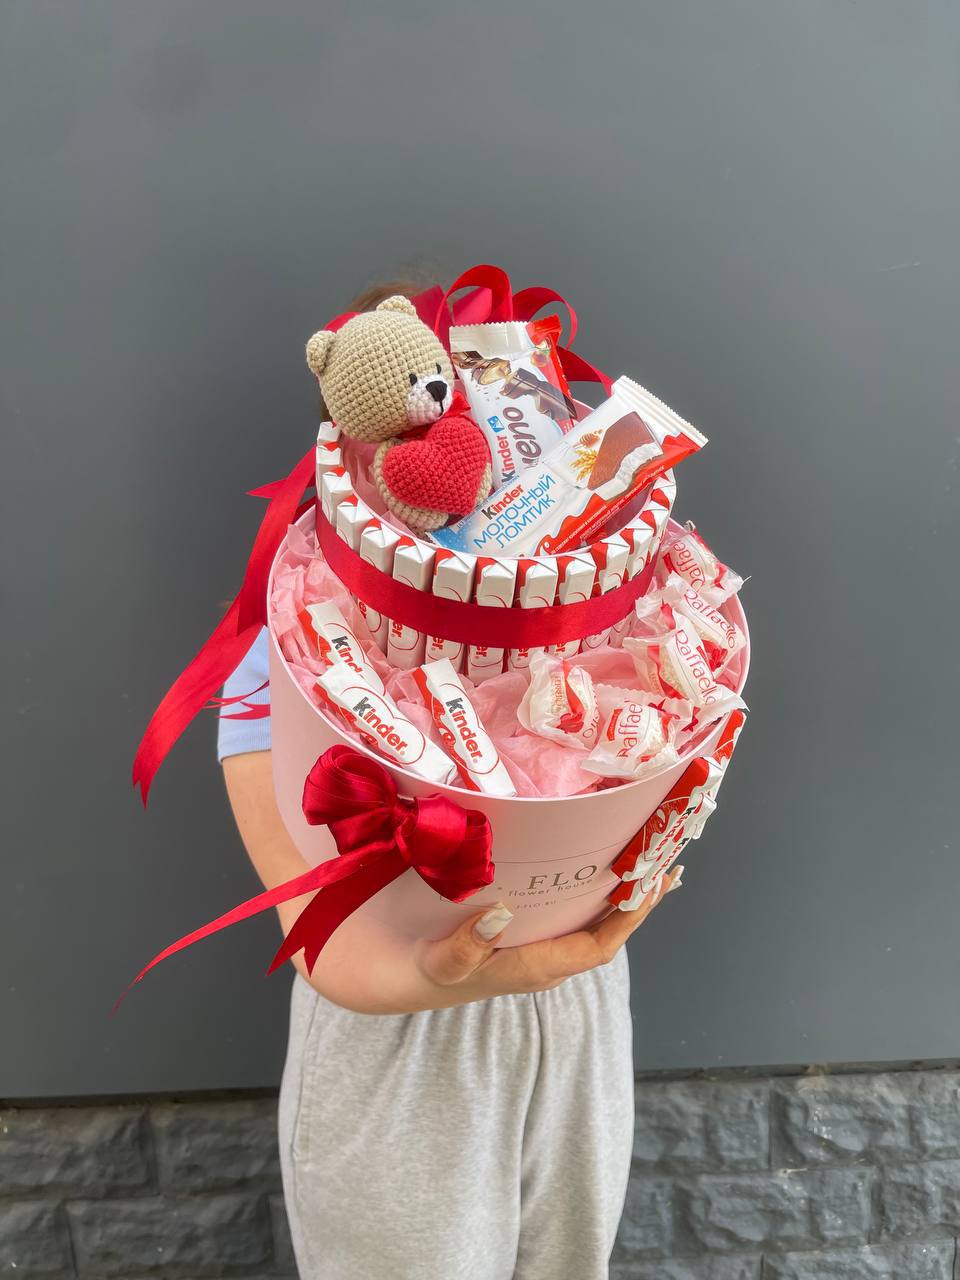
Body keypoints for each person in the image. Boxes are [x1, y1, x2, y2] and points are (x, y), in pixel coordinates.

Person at [217, 280, 674, 1280]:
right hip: (398, 1049)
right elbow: (320, 942)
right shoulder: (286, 658)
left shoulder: (600, 623)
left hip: (576, 1022)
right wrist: (443, 972)